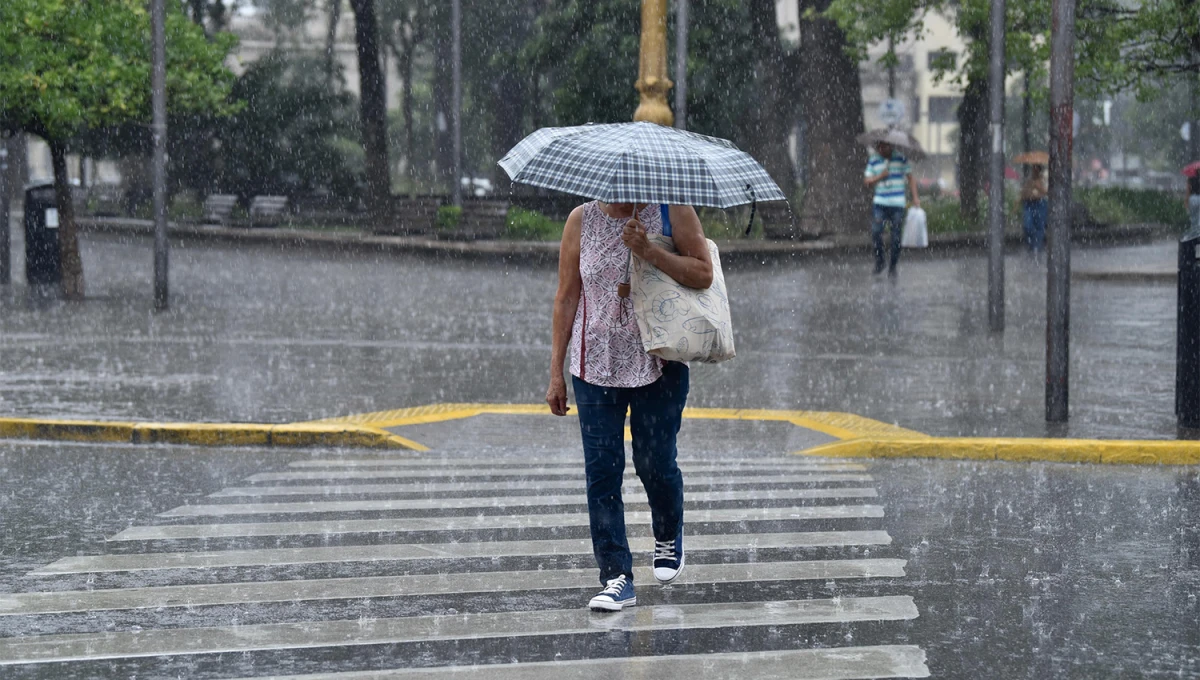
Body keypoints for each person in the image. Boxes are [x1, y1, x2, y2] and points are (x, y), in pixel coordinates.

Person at [547, 200, 713, 612]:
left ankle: (667, 532)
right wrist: (555, 371)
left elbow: (703, 273)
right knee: (601, 473)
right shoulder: (580, 220)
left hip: (660, 361)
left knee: (654, 462)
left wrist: (650, 251)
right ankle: (616, 575)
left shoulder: (673, 211)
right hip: (593, 364)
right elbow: (566, 296)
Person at [863, 142, 920, 275]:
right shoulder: (874, 160)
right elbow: (867, 182)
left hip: (897, 204)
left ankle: (893, 266)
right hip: (880, 203)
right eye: (879, 147)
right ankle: (880, 261)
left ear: (891, 146)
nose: (882, 149)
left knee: (896, 236)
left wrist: (915, 197)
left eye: (885, 147)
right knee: (876, 231)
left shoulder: (901, 158)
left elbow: (910, 178)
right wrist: (880, 176)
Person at [1020, 165, 1049, 254]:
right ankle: (1030, 244)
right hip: (1029, 203)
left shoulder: (1044, 179)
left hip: (1040, 204)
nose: (1034, 171)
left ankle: (1036, 247)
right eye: (1033, 169)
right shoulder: (1029, 180)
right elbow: (1024, 192)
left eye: (1036, 169)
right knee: (1028, 225)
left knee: (1039, 226)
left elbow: (1047, 192)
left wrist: (1038, 186)